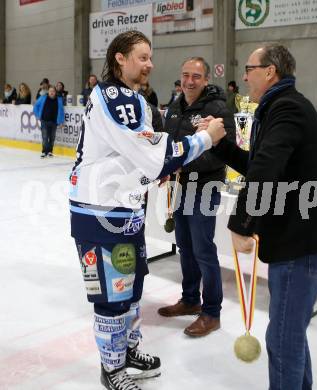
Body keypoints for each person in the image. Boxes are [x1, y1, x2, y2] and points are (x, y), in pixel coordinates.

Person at [68, 31, 225, 390]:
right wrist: (204, 139)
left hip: (125, 209)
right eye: (142, 56)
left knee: (132, 286)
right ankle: (112, 368)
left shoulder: (132, 98)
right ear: (120, 58)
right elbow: (151, 156)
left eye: (150, 57)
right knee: (112, 296)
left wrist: (159, 164)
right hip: (101, 213)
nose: (150, 64)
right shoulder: (112, 95)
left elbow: (141, 154)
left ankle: (128, 350)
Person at [204, 44, 317, 390]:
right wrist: (222, 145)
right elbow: (261, 163)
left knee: (283, 337)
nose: (245, 75)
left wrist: (241, 222)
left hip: (306, 245)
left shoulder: (287, 108)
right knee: (290, 333)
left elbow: (265, 168)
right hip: (299, 241)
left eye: (250, 68)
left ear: (270, 71)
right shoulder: (277, 108)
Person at [157, 57, 236, 337]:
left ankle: (212, 312)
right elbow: (170, 144)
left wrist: (182, 164)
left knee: (203, 248)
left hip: (206, 186)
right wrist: (166, 167)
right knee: (185, 245)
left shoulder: (217, 108)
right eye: (185, 75)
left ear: (205, 79)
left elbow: (222, 152)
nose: (189, 82)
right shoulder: (176, 106)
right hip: (181, 186)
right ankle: (190, 299)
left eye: (196, 77)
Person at [33, 85, 64, 158]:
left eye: (53, 91)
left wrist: (61, 121)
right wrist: (37, 115)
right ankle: (44, 151)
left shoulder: (59, 99)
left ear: (55, 92)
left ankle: (50, 151)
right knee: (45, 136)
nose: (51, 93)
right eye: (50, 91)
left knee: (52, 137)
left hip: (54, 121)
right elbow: (36, 106)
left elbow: (61, 111)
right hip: (44, 120)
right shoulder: (43, 98)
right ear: (48, 92)